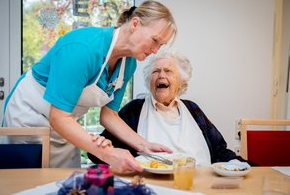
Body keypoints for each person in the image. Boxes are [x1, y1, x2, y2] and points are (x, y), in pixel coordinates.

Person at [2, 0, 177, 171]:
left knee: (68, 185)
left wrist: (144, 145)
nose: (155, 50)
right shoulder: (82, 49)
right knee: (28, 182)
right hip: (30, 116)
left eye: (160, 45)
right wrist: (107, 153)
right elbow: (58, 117)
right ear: (135, 24)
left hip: (66, 122)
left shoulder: (129, 63)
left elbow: (109, 115)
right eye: (155, 40)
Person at [88, 49, 251, 166]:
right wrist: (100, 146)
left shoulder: (193, 110)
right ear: (149, 80)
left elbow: (220, 151)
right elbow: (103, 151)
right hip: (150, 186)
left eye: (168, 71)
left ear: (181, 82)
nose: (161, 75)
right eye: (155, 71)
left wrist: (250, 167)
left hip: (200, 185)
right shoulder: (135, 109)